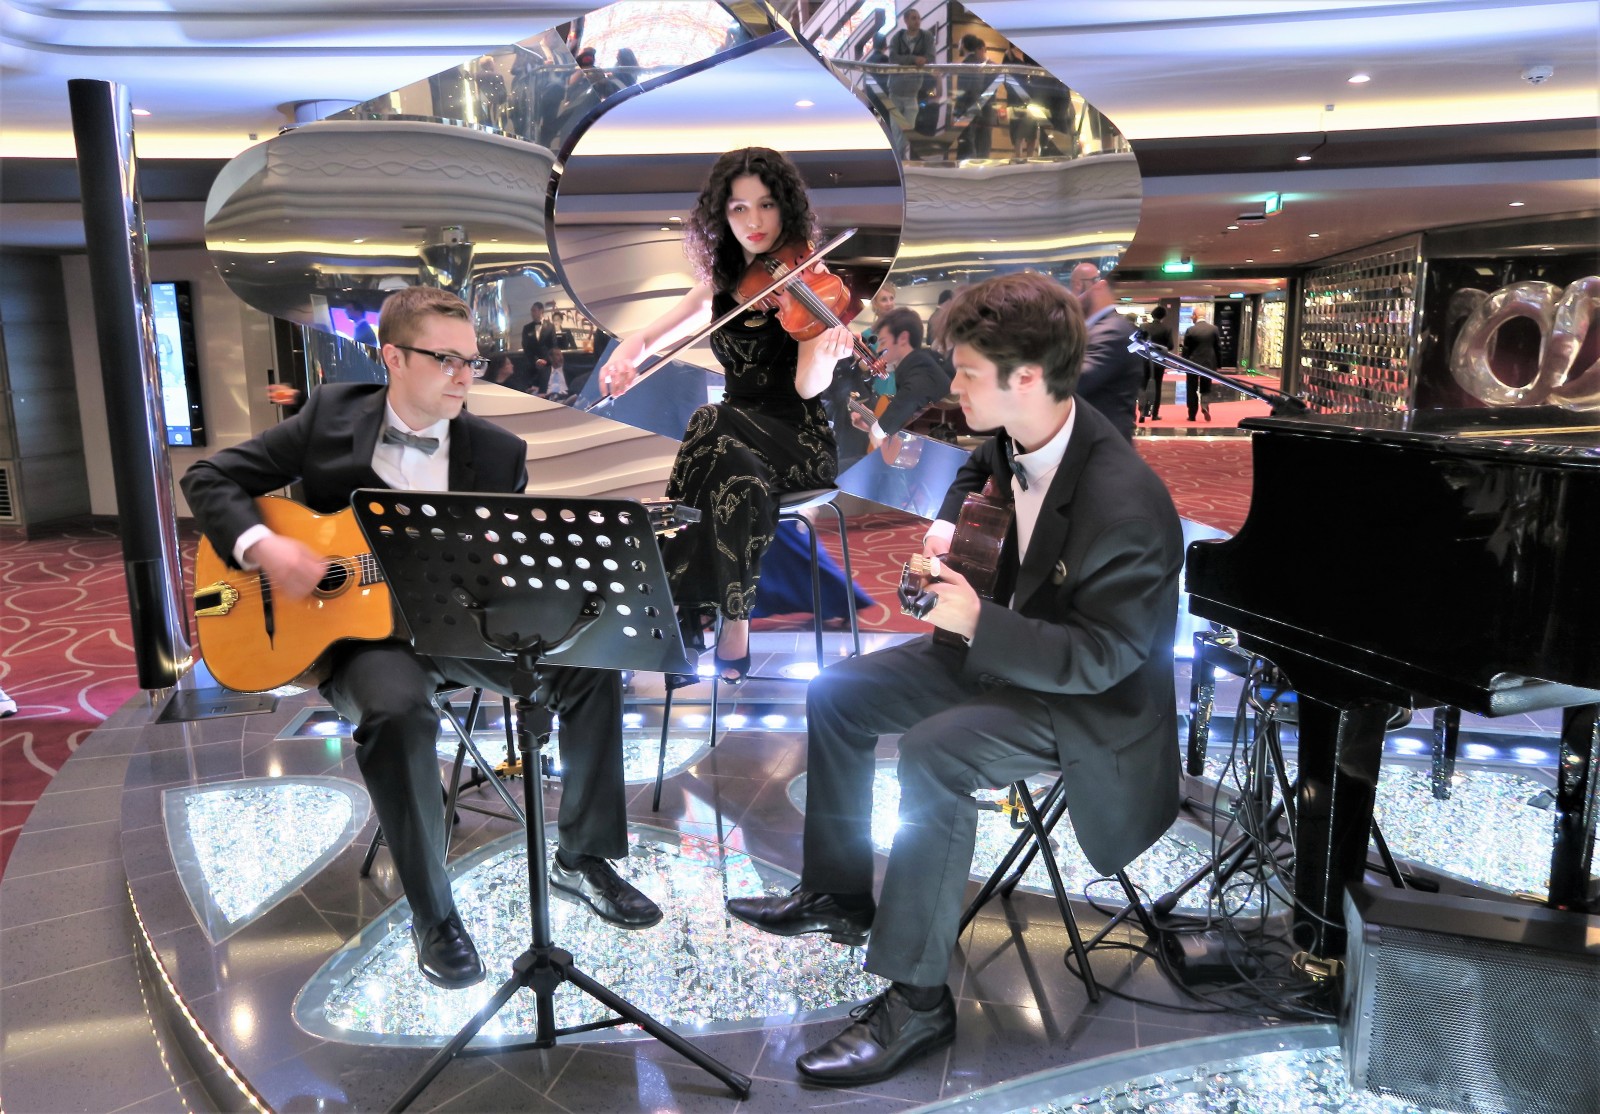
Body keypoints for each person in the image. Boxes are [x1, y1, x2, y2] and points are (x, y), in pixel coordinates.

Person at [725, 271, 1184, 1086]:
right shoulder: (1018, 431)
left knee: (937, 753)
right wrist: (946, 531)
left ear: (1028, 377)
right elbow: (982, 475)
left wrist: (977, 622)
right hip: (1004, 652)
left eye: (968, 373)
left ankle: (919, 999)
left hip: (1086, 702)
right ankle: (838, 894)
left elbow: (1105, 658)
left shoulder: (1128, 503)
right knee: (837, 694)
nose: (953, 388)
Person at [181, 287, 661, 992]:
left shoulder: (498, 452)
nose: (467, 376)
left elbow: (500, 570)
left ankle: (581, 857)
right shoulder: (330, 418)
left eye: (473, 360)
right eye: (447, 360)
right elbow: (208, 476)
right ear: (394, 358)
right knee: (397, 711)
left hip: (459, 626)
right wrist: (267, 548)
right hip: (358, 642)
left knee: (590, 666)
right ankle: (433, 915)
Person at [598, 147, 853, 685]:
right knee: (732, 466)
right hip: (733, 443)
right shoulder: (722, 285)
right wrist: (626, 357)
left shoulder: (814, 282)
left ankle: (677, 615)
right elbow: (649, 336)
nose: (754, 221)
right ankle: (735, 619)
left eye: (766, 205)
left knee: (709, 422)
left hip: (797, 440)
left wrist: (825, 356)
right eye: (739, 208)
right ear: (721, 215)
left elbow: (806, 388)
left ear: (786, 208)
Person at [853, 306, 953, 451]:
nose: (879, 350)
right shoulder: (916, 364)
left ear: (903, 338)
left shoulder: (919, 363)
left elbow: (911, 396)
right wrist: (874, 423)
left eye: (883, 342)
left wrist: (878, 429)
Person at [1067, 262, 1143, 440]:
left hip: (1102, 444)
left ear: (1099, 285)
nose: (1072, 293)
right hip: (1092, 439)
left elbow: (1074, 382)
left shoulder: (1112, 330)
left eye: (1077, 285)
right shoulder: (1096, 328)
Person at [886, 8, 934, 133]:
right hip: (895, 91)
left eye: (919, 18)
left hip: (912, 92)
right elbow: (893, 58)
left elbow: (931, 57)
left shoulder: (926, 36)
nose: (917, 21)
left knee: (908, 132)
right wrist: (914, 59)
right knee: (896, 130)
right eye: (913, 18)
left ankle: (900, 147)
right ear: (906, 20)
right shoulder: (897, 37)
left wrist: (921, 60)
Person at [954, 33, 994, 159]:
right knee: (976, 144)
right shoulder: (978, 63)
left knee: (966, 143)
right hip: (977, 107)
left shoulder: (967, 63)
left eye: (960, 43)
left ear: (963, 45)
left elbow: (965, 90)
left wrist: (957, 111)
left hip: (967, 108)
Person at [1182, 306, 1219, 421]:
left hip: (1192, 363)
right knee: (1206, 386)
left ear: (1195, 316)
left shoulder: (1190, 330)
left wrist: (1183, 362)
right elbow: (1218, 347)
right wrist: (1218, 363)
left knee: (1191, 388)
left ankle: (1192, 414)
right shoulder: (1213, 329)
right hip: (1209, 362)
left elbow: (1186, 349)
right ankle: (1205, 405)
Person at [1139, 304, 1174, 422]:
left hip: (1145, 360)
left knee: (1143, 385)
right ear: (1163, 316)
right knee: (1157, 387)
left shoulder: (1144, 326)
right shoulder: (1166, 329)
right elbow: (1170, 346)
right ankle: (1154, 414)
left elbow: (1139, 342)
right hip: (1159, 361)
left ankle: (1142, 412)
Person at [521, 302, 556, 393]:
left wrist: (545, 360)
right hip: (532, 365)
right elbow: (526, 347)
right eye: (531, 311)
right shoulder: (527, 328)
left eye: (534, 310)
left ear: (541, 311)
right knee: (530, 392)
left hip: (546, 365)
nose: (532, 313)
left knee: (544, 392)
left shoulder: (550, 327)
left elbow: (553, 346)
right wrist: (536, 360)